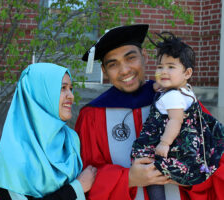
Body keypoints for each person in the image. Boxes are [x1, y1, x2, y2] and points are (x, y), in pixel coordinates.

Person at [75, 24, 224, 200]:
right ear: (104, 71)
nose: (124, 70)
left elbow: (217, 160)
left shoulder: (178, 100)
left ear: (144, 56)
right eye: (113, 64)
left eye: (131, 58)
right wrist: (129, 179)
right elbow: (85, 177)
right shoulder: (92, 115)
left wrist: (189, 178)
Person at [131, 32, 224, 200]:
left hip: (169, 142)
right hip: (189, 144)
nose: (163, 71)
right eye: (160, 67)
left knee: (152, 172)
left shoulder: (173, 96)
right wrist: (160, 84)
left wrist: (164, 143)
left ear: (187, 73)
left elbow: (175, 120)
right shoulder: (184, 90)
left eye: (170, 67)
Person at [0, 63, 97, 200]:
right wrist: (76, 188)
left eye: (71, 88)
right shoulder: (13, 156)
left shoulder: (71, 139)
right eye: (63, 88)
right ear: (40, 94)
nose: (71, 96)